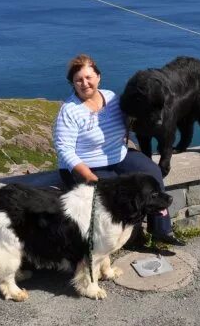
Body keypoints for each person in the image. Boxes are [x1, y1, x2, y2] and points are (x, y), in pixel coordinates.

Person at [53, 54, 184, 246]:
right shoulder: (70, 110)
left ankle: (161, 230)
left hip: (119, 155)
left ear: (98, 77)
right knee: (117, 192)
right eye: (78, 80)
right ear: (72, 83)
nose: (85, 83)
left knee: (153, 173)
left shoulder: (113, 98)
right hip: (85, 165)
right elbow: (64, 149)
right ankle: (122, 240)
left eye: (89, 77)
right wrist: (87, 175)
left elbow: (136, 115)